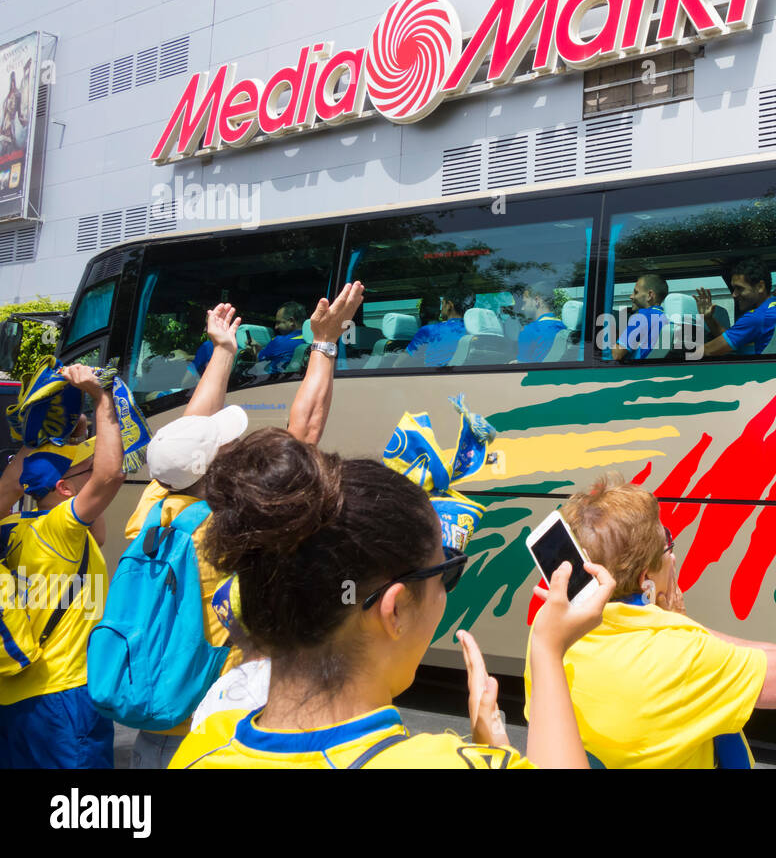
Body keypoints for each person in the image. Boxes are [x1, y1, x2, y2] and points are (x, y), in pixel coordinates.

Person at [170, 428, 614, 768]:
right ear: (395, 608)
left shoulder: (203, 743)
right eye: (447, 573)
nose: (446, 590)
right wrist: (548, 651)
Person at [126, 284, 364, 768]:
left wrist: (223, 351)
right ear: (211, 467)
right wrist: (324, 343)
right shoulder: (228, 527)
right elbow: (306, 436)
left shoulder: (151, 507)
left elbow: (190, 429)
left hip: (154, 727)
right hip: (211, 723)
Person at [523, 475, 776, 768]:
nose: (672, 554)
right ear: (644, 578)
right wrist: (677, 622)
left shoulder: (547, 634)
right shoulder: (682, 653)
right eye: (666, 544)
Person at [0, 365, 126, 768]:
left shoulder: (15, 529)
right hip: (64, 696)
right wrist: (102, 398)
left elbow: (11, 489)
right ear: (65, 489)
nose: (91, 466)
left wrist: (50, 441)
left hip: (16, 697)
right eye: (81, 467)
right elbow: (111, 476)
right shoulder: (62, 529)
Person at [695, 257, 776, 357]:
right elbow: (734, 336)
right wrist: (708, 318)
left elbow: (708, 351)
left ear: (760, 287)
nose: (734, 294)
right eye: (734, 288)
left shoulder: (757, 317)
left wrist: (678, 357)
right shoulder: (773, 307)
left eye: (739, 288)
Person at [612, 273, 668, 361]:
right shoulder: (664, 318)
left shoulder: (642, 317)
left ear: (649, 295)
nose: (631, 296)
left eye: (636, 292)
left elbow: (616, 355)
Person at [406, 293, 473, 366]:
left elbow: (399, 364)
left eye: (443, 304)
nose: (440, 310)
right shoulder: (474, 330)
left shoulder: (429, 331)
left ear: (449, 305)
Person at [516, 281, 566, 363]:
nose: (522, 308)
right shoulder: (563, 327)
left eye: (525, 302)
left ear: (537, 301)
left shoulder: (529, 330)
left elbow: (522, 367)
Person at [253, 301, 309, 372]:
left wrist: (255, 351)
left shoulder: (279, 341)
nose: (276, 327)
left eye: (279, 322)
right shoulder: (311, 340)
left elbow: (260, 360)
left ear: (291, 321)